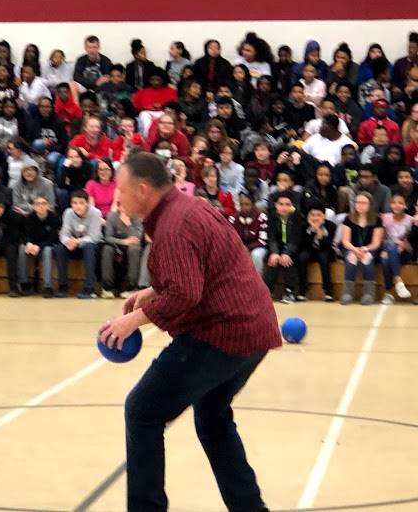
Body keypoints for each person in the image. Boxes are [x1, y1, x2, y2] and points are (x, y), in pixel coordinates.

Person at [98, 152, 279, 512]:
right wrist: (151, 292)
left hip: (222, 333)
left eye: (121, 190)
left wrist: (132, 321)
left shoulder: (173, 227)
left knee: (142, 410)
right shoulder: (189, 208)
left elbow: (184, 294)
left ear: (144, 189)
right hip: (254, 328)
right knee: (212, 418)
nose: (117, 198)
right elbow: (202, 271)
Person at [55, 189, 103, 299]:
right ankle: (62, 287)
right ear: (71, 204)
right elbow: (63, 234)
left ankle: (89, 289)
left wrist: (78, 241)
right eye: (74, 203)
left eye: (81, 203)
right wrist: (68, 242)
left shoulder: (96, 213)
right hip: (73, 246)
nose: (78, 206)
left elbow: (94, 236)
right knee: (59, 248)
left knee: (89, 247)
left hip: (92, 246)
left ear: (87, 203)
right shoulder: (68, 212)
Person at [340, 191, 384, 305]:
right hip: (351, 248)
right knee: (351, 258)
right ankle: (347, 293)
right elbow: (345, 241)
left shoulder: (377, 220)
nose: (360, 205)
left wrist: (364, 249)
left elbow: (376, 243)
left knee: (367, 258)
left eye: (363, 203)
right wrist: (355, 250)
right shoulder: (348, 218)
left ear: (370, 205)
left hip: (369, 249)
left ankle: (369, 293)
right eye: (357, 202)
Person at [18, 194, 60, 298]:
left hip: (47, 246)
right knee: (22, 248)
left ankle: (47, 287)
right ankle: (24, 283)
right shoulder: (29, 218)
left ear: (48, 206)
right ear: (33, 206)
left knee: (47, 250)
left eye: (43, 204)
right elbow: (26, 234)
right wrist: (28, 243)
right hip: (33, 246)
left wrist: (39, 247)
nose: (41, 206)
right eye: (37, 204)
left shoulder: (54, 218)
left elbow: (53, 238)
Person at [263, 192, 302, 303]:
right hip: (277, 247)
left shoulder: (297, 217)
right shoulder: (271, 216)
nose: (284, 207)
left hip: (292, 248)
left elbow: (296, 239)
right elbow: (271, 237)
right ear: (275, 205)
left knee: (288, 261)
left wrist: (287, 253)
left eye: (287, 204)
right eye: (281, 204)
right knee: (273, 261)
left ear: (292, 206)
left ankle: (290, 292)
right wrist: (275, 252)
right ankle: (266, 291)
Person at [297, 200, 337, 301]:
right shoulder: (303, 226)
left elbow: (328, 245)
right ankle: (302, 291)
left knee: (324, 257)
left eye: (318, 215)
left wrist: (319, 232)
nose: (315, 218)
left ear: (324, 216)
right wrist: (311, 231)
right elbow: (302, 245)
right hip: (308, 250)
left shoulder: (331, 226)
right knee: (302, 257)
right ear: (308, 216)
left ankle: (328, 291)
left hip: (325, 251)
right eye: (312, 215)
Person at [100, 208, 143, 299]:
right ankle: (107, 288)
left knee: (134, 249)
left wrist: (128, 224)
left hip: (132, 246)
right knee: (107, 249)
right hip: (117, 245)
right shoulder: (112, 216)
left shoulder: (138, 216)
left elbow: (137, 237)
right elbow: (108, 237)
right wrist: (123, 241)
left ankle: (131, 287)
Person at [379, 192, 413, 304]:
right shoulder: (385, 218)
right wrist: (389, 247)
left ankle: (388, 293)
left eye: (400, 203)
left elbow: (411, 243)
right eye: (393, 203)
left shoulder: (410, 220)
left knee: (387, 255)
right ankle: (397, 282)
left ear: (405, 206)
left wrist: (403, 246)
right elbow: (382, 239)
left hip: (405, 252)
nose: (396, 205)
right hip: (389, 250)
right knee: (386, 257)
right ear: (390, 205)